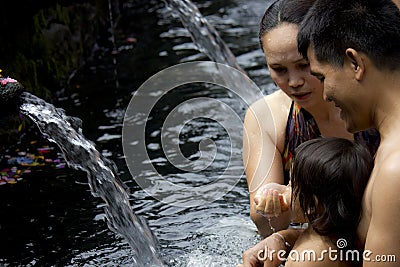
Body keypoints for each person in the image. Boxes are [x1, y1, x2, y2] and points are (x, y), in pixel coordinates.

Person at [241, 0, 400, 265]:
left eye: (315, 72)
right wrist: (284, 233)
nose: (294, 82)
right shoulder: (267, 117)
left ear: (354, 63)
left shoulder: (393, 165)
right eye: (279, 70)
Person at [286, 137, 372, 267]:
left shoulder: (309, 260)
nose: (285, 189)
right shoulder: (329, 235)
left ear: (311, 205)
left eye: (290, 184)